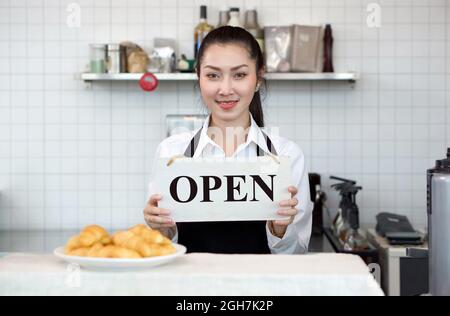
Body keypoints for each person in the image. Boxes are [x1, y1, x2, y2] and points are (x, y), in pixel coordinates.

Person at [144, 26, 313, 254]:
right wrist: (159, 230)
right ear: (199, 77)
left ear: (258, 78)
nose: (225, 89)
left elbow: (298, 255)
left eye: (240, 75)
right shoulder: (171, 153)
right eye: (213, 75)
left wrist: (280, 230)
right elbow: (162, 250)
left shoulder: (287, 155)